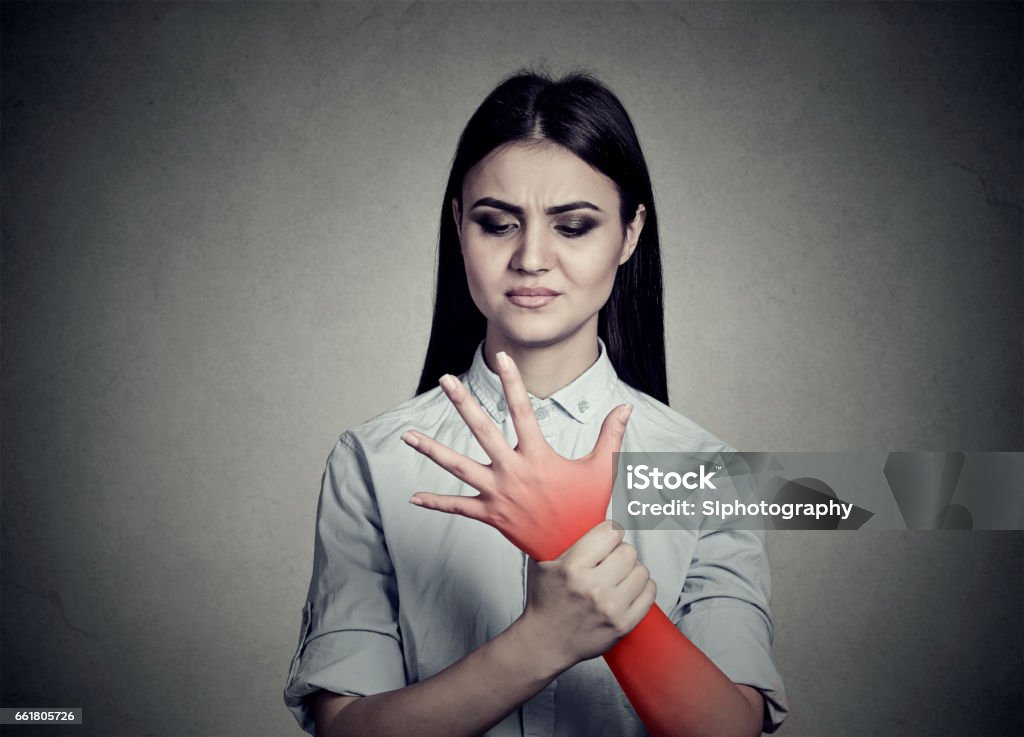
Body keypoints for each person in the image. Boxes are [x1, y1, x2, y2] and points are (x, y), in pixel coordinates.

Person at [283, 70, 788, 737]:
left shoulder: (704, 468)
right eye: (497, 224)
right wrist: (543, 640)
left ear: (630, 233)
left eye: (574, 227)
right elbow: (344, 729)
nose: (531, 258)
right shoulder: (375, 460)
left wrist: (571, 541)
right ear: (458, 223)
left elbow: (733, 729)